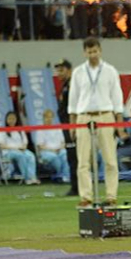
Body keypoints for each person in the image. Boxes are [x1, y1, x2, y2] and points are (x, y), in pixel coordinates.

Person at [67, 37, 124, 207]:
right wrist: (72, 123)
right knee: (83, 161)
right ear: (84, 53)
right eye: (89, 52)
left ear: (100, 50)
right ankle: (86, 197)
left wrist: (119, 123)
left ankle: (111, 196)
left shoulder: (110, 71)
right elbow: (73, 99)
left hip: (105, 115)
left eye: (95, 51)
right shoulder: (78, 72)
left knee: (110, 159)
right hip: (84, 116)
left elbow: (117, 97)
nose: (93, 55)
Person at [0, 111, 40, 185]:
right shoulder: (3, 130)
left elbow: (25, 143)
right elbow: (1, 145)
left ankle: (32, 177)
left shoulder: (20, 130)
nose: (11, 121)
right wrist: (14, 147)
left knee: (30, 155)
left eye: (13, 119)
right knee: (21, 156)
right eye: (10, 119)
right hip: (8, 152)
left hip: (21, 150)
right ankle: (27, 178)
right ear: (6, 120)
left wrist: (23, 148)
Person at [55, 59, 78, 196]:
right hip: (66, 125)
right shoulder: (65, 86)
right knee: (71, 157)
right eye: (58, 70)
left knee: (75, 157)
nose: (59, 73)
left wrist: (72, 126)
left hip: (72, 126)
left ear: (69, 70)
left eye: (62, 70)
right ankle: (76, 186)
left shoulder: (72, 86)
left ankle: (77, 187)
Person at [35, 108, 70, 183]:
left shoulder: (57, 128)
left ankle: (66, 177)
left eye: (51, 117)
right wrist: (52, 150)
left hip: (59, 150)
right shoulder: (40, 129)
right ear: (43, 118)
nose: (49, 119)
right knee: (55, 158)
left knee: (65, 154)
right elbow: (40, 146)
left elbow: (63, 142)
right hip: (46, 151)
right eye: (47, 117)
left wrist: (59, 148)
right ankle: (59, 175)